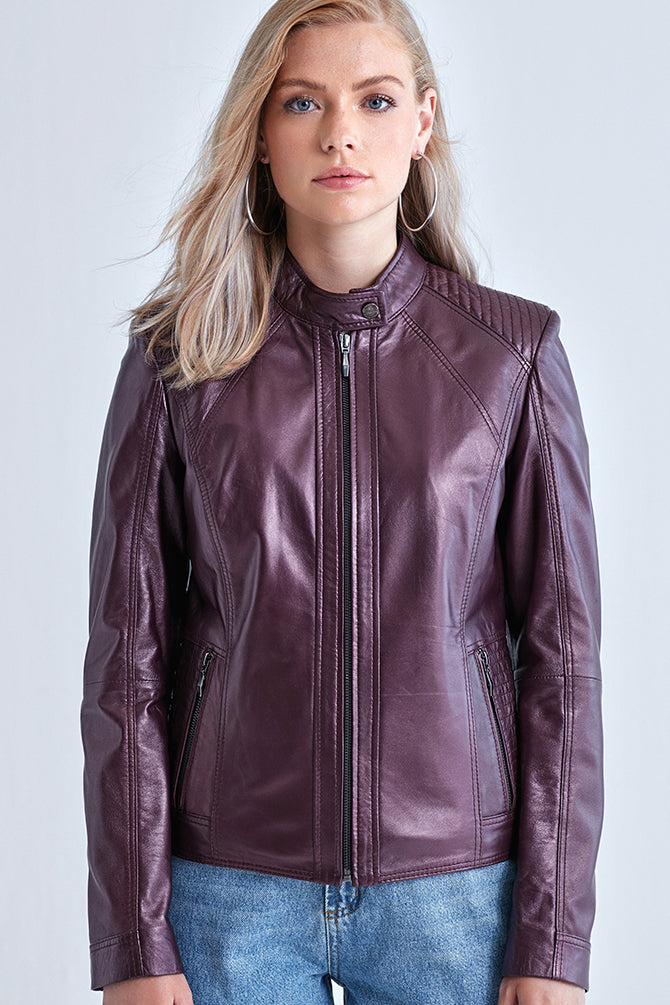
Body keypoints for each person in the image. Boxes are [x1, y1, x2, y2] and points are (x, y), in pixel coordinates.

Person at [80, 1, 604, 1003]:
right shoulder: (178, 358)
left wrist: (551, 938)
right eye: (302, 103)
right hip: (227, 891)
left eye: (375, 100)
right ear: (259, 133)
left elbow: (564, 665)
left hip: (455, 893)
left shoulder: (510, 357)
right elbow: (125, 664)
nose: (339, 134)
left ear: (423, 123)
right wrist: (134, 939)